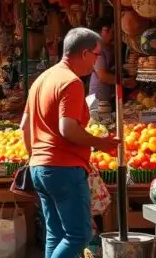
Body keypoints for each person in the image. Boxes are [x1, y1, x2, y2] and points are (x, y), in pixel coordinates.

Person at [22, 28, 119, 258]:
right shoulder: (71, 83)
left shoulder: (42, 79)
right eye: (97, 55)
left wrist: (33, 157)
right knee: (79, 234)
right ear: (85, 53)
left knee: (55, 233)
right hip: (64, 168)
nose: (97, 61)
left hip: (40, 167)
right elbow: (68, 128)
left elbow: (24, 126)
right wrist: (100, 142)